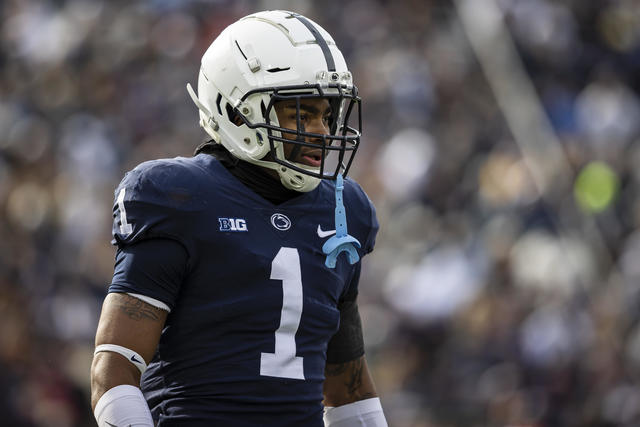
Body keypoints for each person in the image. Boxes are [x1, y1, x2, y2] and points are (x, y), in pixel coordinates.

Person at [90, 10, 387, 427]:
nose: (322, 130)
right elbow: (114, 371)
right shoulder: (178, 195)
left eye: (327, 114)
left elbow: (349, 390)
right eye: (301, 114)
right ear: (236, 112)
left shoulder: (344, 210)